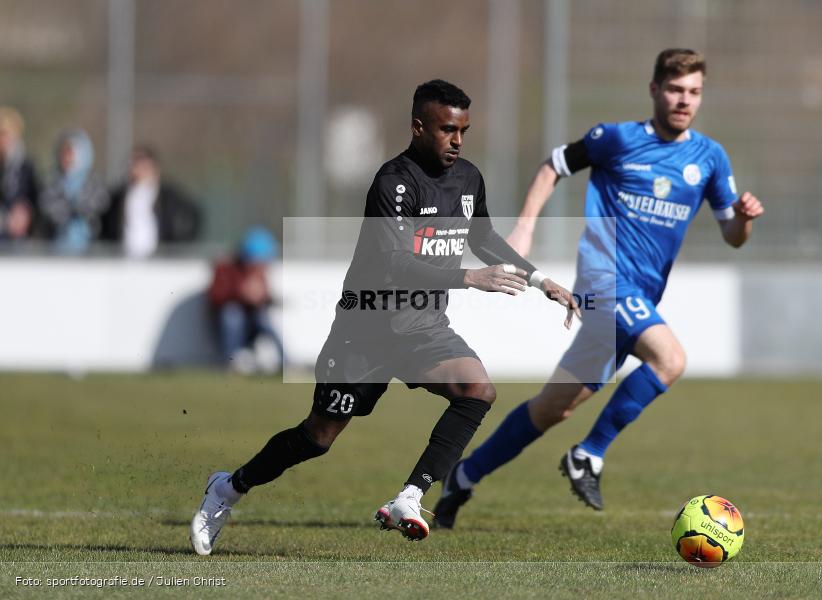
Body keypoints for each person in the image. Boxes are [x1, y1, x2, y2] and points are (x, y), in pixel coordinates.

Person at [190, 79, 579, 554]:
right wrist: (468, 279)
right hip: (365, 331)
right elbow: (395, 262)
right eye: (447, 130)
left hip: (422, 328)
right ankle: (228, 488)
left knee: (478, 391)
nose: (457, 141)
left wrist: (541, 282)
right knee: (318, 436)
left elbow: (484, 238)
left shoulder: (468, 178)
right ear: (418, 127)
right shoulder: (394, 182)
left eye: (464, 130)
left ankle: (409, 498)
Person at [433, 49, 765, 528]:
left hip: (638, 297)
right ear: (655, 89)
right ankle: (589, 455)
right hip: (603, 280)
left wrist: (744, 220)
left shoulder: (709, 158)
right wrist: (524, 229)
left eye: (693, 92)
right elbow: (552, 166)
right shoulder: (616, 139)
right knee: (670, 359)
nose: (683, 100)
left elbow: (733, 238)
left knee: (551, 409)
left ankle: (462, 477)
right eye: (674, 89)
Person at [208, 226, 285, 374]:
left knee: (264, 319)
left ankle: (286, 363)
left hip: (252, 323)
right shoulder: (225, 268)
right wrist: (241, 294)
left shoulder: (259, 272)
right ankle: (230, 363)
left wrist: (264, 298)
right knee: (232, 314)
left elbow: (263, 297)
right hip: (229, 324)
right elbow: (216, 297)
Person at [101, 145, 201, 258]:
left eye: (141, 163)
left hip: (159, 261)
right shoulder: (118, 197)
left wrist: (178, 247)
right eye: (133, 163)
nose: (136, 168)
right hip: (125, 260)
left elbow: (189, 219)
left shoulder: (169, 196)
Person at [38, 129, 109, 253]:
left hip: (89, 248)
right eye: (64, 153)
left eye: (72, 153)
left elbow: (99, 205)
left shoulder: (94, 182)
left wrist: (77, 210)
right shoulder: (51, 181)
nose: (68, 158)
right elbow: (49, 207)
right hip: (56, 246)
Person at [0, 107, 40, 241]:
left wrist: (25, 211)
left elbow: (34, 196)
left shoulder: (26, 165)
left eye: (5, 134)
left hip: (18, 237)